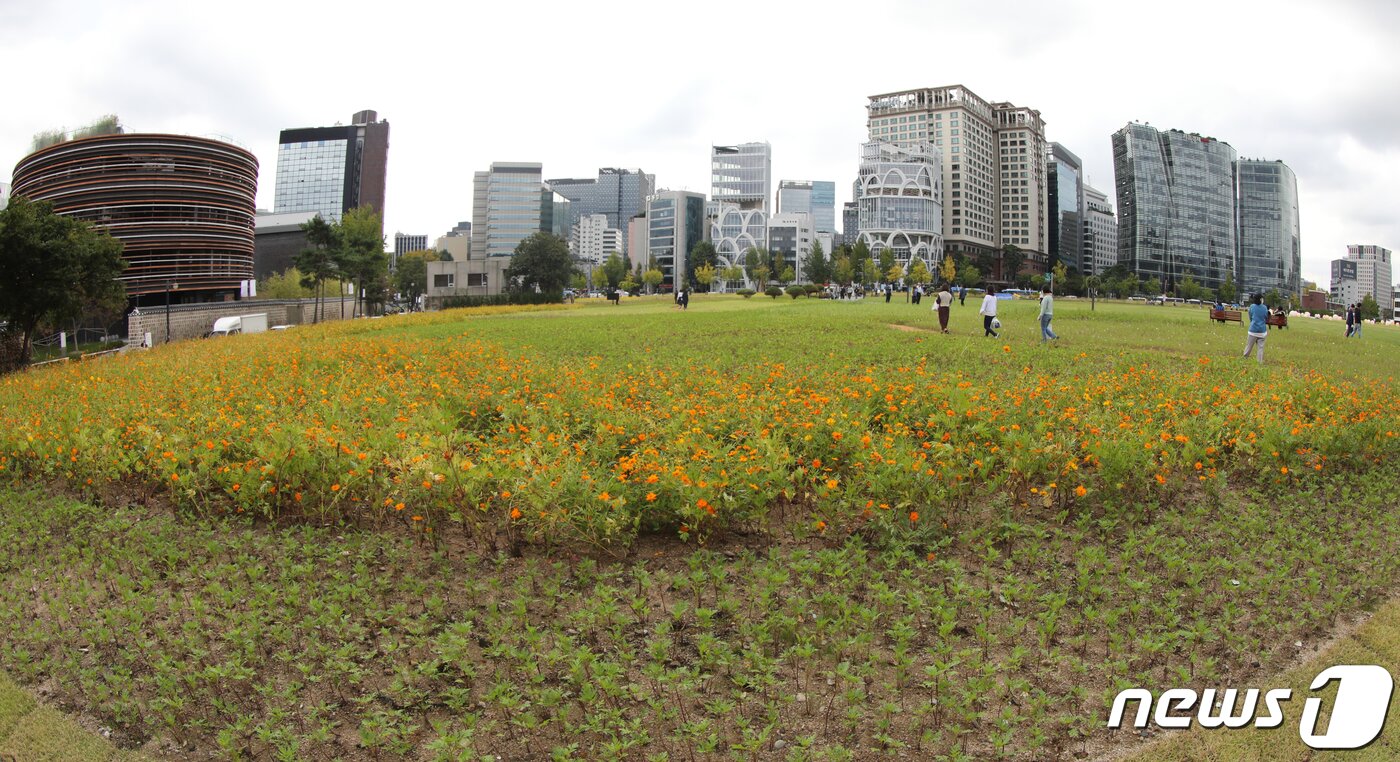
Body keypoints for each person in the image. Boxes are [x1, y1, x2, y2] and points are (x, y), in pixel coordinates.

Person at [1242, 293, 1269, 364]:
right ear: (1261, 299)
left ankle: (1244, 358)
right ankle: (1259, 362)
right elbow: (1266, 318)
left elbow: (1250, 317)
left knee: (1249, 346)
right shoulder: (1264, 307)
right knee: (1260, 348)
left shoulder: (1252, 306)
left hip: (1253, 330)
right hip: (1262, 331)